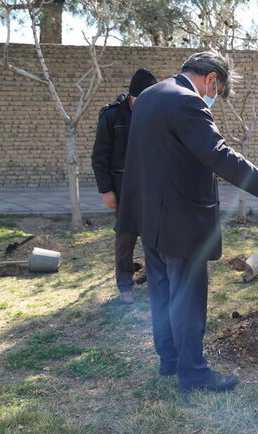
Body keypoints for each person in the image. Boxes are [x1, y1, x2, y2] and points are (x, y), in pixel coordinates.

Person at [116, 50, 258, 392]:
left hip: (149, 217)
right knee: (187, 300)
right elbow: (220, 156)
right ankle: (193, 375)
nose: (212, 98)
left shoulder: (149, 96)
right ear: (211, 79)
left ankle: (170, 360)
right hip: (181, 220)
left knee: (161, 293)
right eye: (215, 93)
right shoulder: (187, 101)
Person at [91, 68, 157, 305]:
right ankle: (125, 286)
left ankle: (155, 282)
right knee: (125, 238)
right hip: (121, 184)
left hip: (151, 185)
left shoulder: (158, 113)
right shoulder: (111, 115)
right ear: (131, 96)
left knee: (154, 237)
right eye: (141, 99)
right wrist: (106, 190)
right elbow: (100, 156)